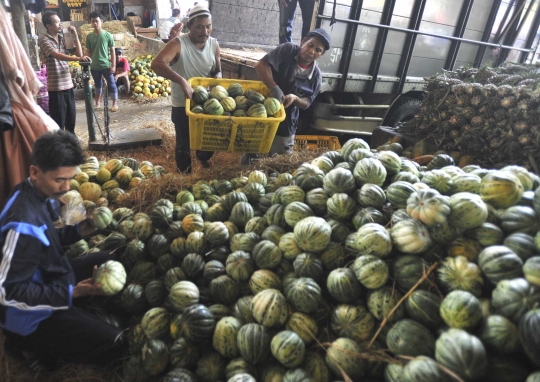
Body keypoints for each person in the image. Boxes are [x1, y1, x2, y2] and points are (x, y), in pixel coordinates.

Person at [0, 130, 128, 370]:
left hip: (48, 279)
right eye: (60, 180)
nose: (66, 187)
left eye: (70, 179)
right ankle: (24, 344)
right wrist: (72, 293)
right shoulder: (21, 226)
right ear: (35, 172)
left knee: (113, 256)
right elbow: (9, 293)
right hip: (29, 317)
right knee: (116, 342)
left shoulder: (34, 192)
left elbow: (47, 240)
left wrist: (82, 228)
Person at [241, 28, 330, 165]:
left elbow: (307, 102)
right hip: (263, 114)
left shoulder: (316, 76)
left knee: (279, 164)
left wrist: (295, 99)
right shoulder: (287, 50)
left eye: (318, 50)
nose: (311, 51)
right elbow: (261, 65)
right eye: (310, 45)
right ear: (303, 41)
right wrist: (274, 87)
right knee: (251, 157)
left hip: (287, 122)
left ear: (321, 54)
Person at [151, 4, 221, 174]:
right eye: (200, 27)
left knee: (208, 140)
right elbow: (156, 64)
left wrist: (218, 76)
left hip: (206, 103)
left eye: (208, 26)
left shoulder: (214, 44)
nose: (205, 31)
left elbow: (217, 69)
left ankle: (202, 158)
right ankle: (185, 175)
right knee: (183, 143)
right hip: (183, 104)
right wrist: (182, 80)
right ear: (190, 26)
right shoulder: (178, 44)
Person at [38, 11, 90, 134]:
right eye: (56, 22)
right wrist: (79, 59)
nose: (60, 24)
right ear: (49, 26)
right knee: (58, 123)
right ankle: (61, 148)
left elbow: (80, 54)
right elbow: (57, 55)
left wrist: (75, 35)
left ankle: (72, 143)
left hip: (68, 85)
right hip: (56, 88)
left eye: (59, 21)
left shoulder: (62, 37)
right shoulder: (44, 39)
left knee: (71, 120)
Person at [86, 11, 119, 112]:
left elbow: (112, 51)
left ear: (101, 21)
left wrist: (113, 65)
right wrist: (88, 66)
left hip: (106, 66)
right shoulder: (89, 36)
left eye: (97, 21)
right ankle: (97, 103)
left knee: (111, 84)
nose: (95, 23)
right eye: (93, 21)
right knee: (97, 84)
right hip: (94, 66)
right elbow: (88, 52)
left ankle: (114, 103)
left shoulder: (107, 35)